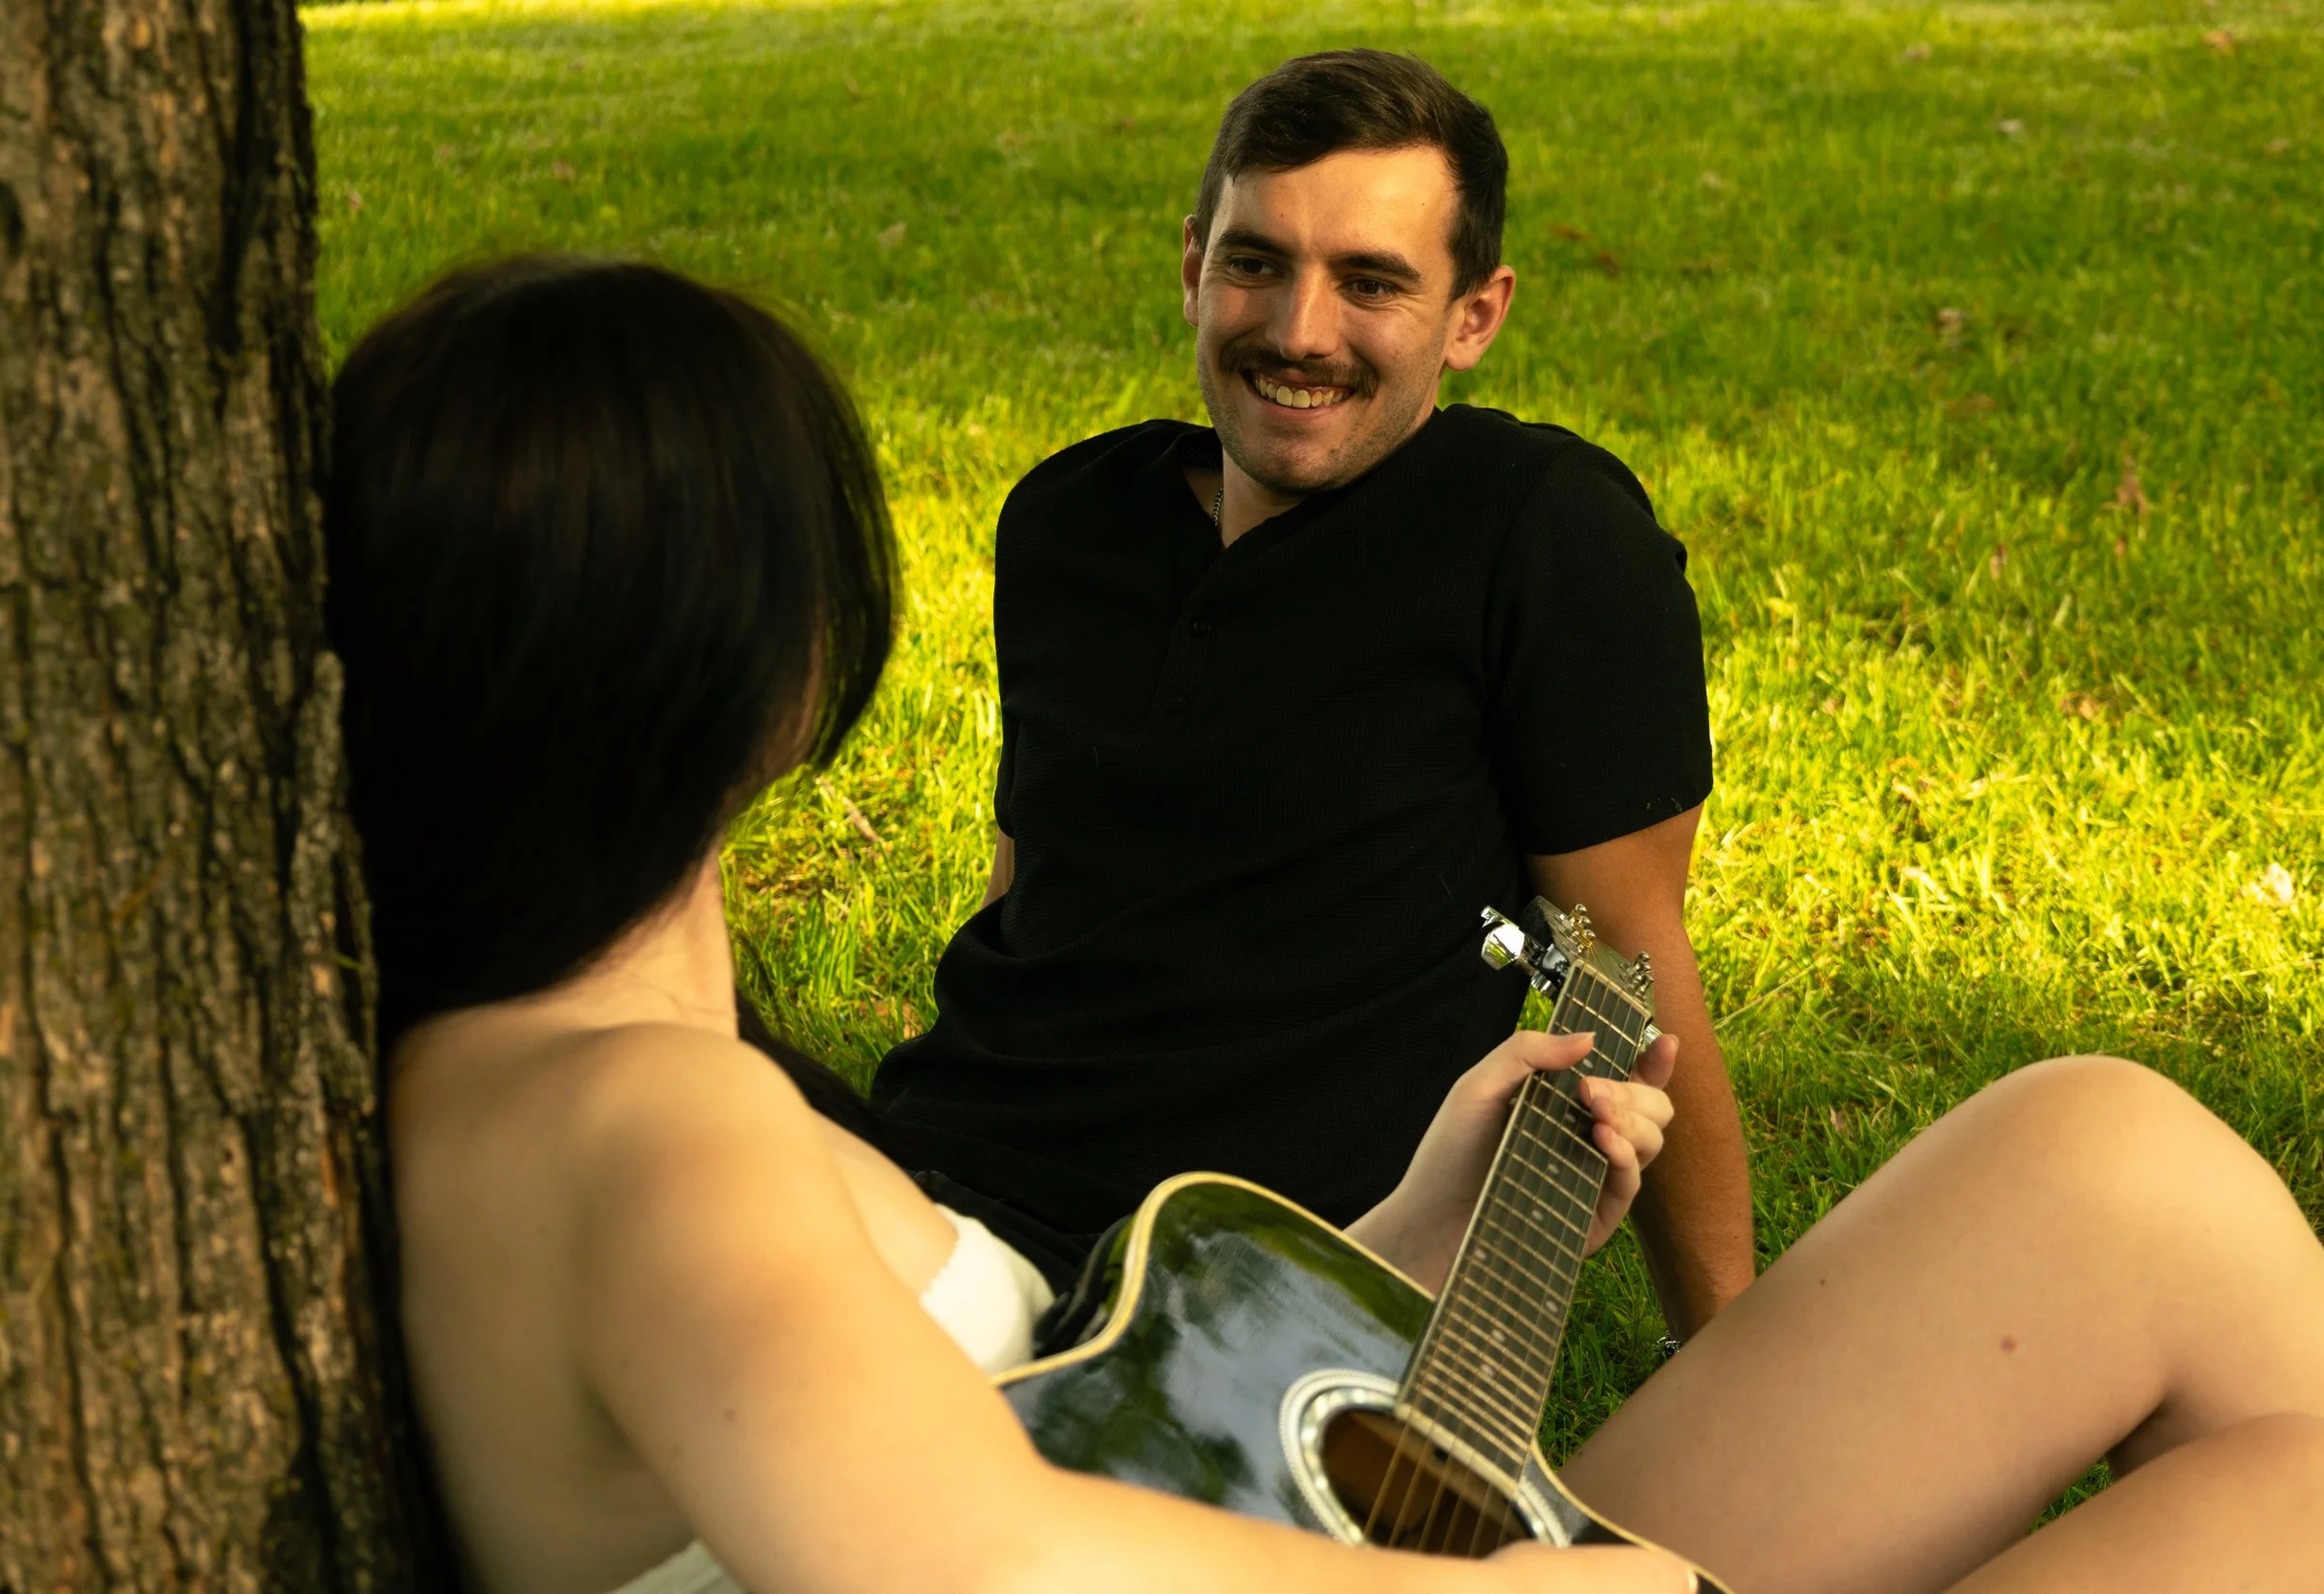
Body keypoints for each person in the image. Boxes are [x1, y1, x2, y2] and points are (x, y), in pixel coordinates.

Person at [333, 255, 2324, 1594]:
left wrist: (1408, 1226)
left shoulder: (522, 1070)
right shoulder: (646, 1125)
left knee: (2109, 1160)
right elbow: (972, 1556)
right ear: (763, 659)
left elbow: (1059, 1444)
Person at [870, 50, 1753, 1338]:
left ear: (1475, 315)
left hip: (1236, 1281)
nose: (1297, 332)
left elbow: (1624, 962)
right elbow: (1032, 887)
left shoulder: (1541, 537)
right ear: (1192, 267)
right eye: (1256, 262)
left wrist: (1717, 1348)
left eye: (1371, 283)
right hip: (934, 1189)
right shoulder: (1071, 518)